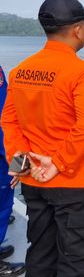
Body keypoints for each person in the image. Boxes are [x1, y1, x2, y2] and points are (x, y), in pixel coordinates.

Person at [1, 0, 84, 277]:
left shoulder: (21, 71)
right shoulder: (81, 73)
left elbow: (8, 120)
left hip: (33, 179)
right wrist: (58, 162)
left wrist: (18, 160)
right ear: (78, 29)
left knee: (41, 255)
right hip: (77, 184)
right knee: (75, 262)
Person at [0, 66, 25, 277]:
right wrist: (17, 166)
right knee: (1, 207)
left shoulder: (19, 71)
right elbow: (6, 122)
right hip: (3, 157)